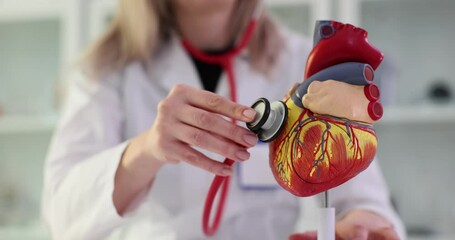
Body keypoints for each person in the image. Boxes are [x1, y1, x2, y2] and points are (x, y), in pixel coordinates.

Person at [42, 0, 405, 239]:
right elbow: (61, 217)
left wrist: (363, 224)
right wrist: (148, 149)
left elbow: (365, 198)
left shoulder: (302, 62)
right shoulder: (108, 71)